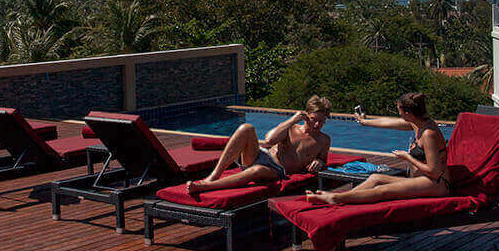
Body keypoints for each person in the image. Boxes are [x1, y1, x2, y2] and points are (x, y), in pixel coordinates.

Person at [307, 92, 448, 205]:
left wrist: (408, 157)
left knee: (383, 190)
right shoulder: (417, 123)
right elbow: (389, 123)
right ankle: (342, 196)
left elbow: (434, 172)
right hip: (420, 180)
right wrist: (365, 122)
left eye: (400, 111)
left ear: (408, 114)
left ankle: (336, 198)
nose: (399, 114)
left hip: (435, 184)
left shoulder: (428, 134)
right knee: (375, 178)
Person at [185, 96, 333, 196]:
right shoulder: (291, 128)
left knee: (257, 170)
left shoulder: (324, 140)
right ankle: (214, 176)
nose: (317, 124)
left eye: (322, 121)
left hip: (276, 170)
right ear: (306, 116)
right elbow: (269, 140)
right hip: (261, 155)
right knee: (246, 128)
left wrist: (319, 161)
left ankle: (204, 187)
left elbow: (323, 160)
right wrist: (292, 120)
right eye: (314, 119)